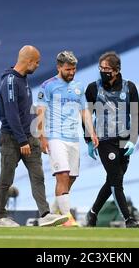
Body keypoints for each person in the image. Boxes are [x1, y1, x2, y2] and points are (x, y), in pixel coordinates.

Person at [0, 45, 68, 227]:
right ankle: (1, 217)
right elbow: (11, 114)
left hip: (30, 136)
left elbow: (27, 111)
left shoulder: (23, 79)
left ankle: (45, 214)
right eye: (36, 62)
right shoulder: (10, 81)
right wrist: (21, 140)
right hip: (13, 138)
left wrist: (39, 136)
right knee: (6, 178)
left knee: (38, 176)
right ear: (28, 61)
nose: (37, 65)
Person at [37, 51, 98, 227]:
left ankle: (56, 212)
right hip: (56, 137)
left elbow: (84, 111)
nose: (71, 72)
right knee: (62, 175)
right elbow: (40, 112)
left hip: (74, 138)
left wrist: (91, 132)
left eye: (74, 69)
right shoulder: (47, 86)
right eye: (68, 69)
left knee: (71, 177)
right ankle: (67, 217)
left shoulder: (78, 86)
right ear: (59, 67)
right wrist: (42, 137)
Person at [84, 51, 139, 228]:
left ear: (116, 70)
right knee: (116, 180)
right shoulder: (93, 89)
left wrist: (133, 139)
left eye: (107, 69)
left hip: (124, 139)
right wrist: (89, 139)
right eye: (100, 68)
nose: (103, 71)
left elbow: (136, 114)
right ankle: (128, 219)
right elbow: (86, 115)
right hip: (105, 140)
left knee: (112, 180)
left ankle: (93, 212)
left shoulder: (129, 88)